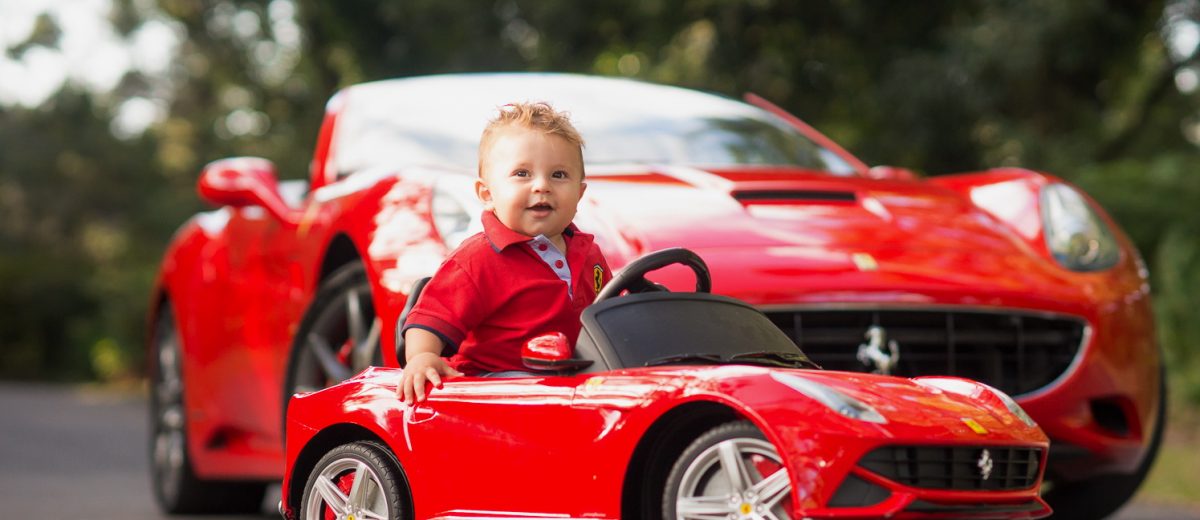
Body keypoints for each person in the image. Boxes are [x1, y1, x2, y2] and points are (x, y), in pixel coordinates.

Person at [397, 101, 611, 404]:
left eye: (559, 175)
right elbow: (430, 318)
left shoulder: (590, 254)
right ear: (487, 194)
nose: (542, 186)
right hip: (499, 386)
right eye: (522, 173)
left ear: (579, 193)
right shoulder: (476, 259)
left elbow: (611, 313)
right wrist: (422, 357)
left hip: (574, 383)